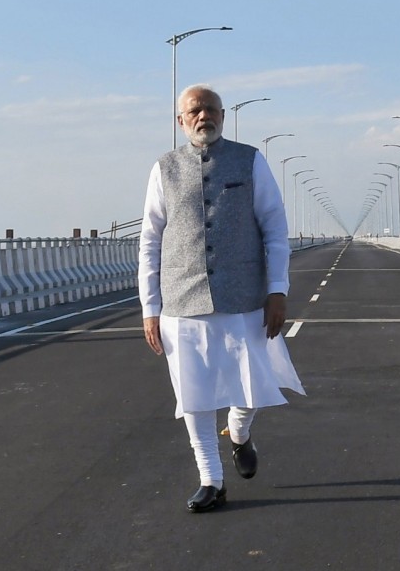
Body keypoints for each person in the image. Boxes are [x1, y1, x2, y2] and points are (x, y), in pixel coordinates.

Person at [138, 84, 305, 513]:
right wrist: (150, 307)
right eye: (195, 110)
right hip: (181, 299)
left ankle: (240, 431)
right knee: (193, 395)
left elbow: (274, 227)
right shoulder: (164, 168)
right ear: (180, 120)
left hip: (244, 297)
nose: (203, 116)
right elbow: (150, 240)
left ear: (223, 116)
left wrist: (278, 290)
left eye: (211, 109)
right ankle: (210, 479)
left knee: (252, 385)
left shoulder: (250, 160)